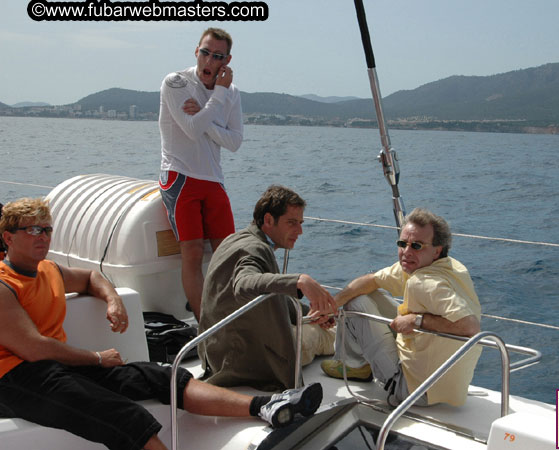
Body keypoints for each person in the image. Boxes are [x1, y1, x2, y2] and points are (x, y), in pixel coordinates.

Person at [0, 198, 322, 450]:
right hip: (17, 377)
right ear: (8, 238)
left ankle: (265, 405)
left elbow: (90, 277)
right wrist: (97, 359)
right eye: (32, 230)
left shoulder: (49, 271)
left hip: (59, 367)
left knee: (161, 376)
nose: (42, 236)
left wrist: (112, 299)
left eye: (46, 229)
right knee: (122, 413)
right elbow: (35, 348)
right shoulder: (4, 285)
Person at [321, 208, 482, 407]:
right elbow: (372, 280)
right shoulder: (446, 266)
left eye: (416, 245)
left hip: (413, 390)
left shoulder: (425, 282)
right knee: (371, 293)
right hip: (444, 385)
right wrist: (331, 307)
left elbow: (470, 327)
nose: (406, 252)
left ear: (437, 250)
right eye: (402, 244)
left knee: (356, 304)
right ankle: (359, 364)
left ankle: (354, 364)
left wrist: (416, 320)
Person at [199, 185, 337, 391]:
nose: (299, 231)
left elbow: (273, 297)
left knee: (314, 324)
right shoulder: (257, 249)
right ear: (269, 220)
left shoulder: (234, 239)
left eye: (300, 223)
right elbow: (243, 284)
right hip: (245, 361)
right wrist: (299, 280)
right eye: (291, 223)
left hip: (217, 354)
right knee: (332, 334)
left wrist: (312, 313)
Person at [158, 27, 244, 321]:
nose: (209, 60)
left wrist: (206, 114)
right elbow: (191, 131)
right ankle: (206, 327)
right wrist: (217, 96)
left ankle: (229, 320)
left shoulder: (232, 93)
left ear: (226, 61)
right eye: (205, 52)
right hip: (180, 176)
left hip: (213, 180)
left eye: (217, 56)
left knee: (228, 255)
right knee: (192, 254)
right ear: (197, 51)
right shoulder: (176, 83)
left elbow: (234, 142)